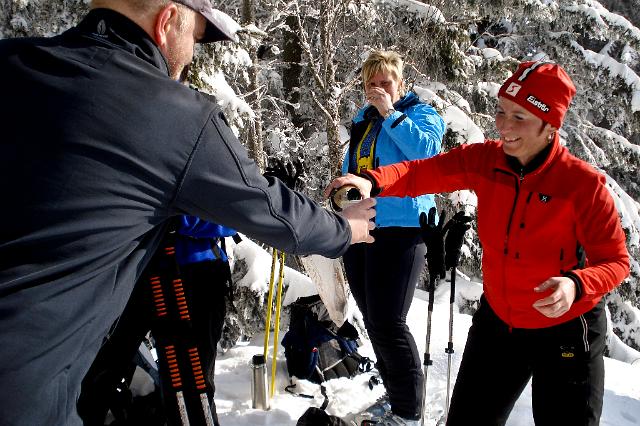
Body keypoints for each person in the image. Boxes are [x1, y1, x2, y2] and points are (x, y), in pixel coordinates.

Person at [0, 1, 376, 425]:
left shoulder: (13, 63)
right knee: (183, 388)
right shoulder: (172, 113)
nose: (194, 53)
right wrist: (345, 227)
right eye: (195, 37)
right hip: (27, 391)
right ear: (167, 22)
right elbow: (273, 211)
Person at [326, 61, 630, 425]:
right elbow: (424, 171)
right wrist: (372, 181)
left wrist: (577, 283)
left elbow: (615, 261)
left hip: (565, 328)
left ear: (551, 126)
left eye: (520, 117)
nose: (503, 126)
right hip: (500, 321)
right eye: (501, 112)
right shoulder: (487, 160)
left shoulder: (581, 185)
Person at [339, 50, 446, 425]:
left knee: (389, 322)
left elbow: (429, 154)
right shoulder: (362, 119)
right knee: (373, 320)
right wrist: (341, 192)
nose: (378, 90)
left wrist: (390, 114)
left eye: (385, 82)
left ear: (400, 84)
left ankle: (408, 412)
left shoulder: (420, 114)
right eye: (371, 84)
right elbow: (356, 165)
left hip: (402, 227)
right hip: (361, 226)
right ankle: (395, 394)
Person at [78, 216, 238, 426]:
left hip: (193, 277)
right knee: (99, 369)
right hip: (132, 269)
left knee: (191, 385)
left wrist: (173, 219)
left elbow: (231, 216)